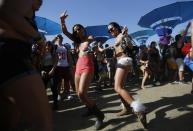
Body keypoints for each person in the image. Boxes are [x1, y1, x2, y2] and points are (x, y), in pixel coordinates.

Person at [0, 0, 52, 131]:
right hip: (11, 57)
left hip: (11, 57)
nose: (42, 2)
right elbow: (5, 12)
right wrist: (38, 37)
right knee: (42, 124)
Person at [60, 11, 104, 130]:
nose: (76, 31)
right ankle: (90, 109)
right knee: (79, 94)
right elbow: (64, 31)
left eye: (78, 28)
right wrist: (62, 20)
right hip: (78, 66)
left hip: (88, 66)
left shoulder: (89, 38)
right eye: (75, 30)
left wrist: (95, 48)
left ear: (83, 29)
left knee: (81, 93)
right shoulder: (76, 42)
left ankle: (99, 116)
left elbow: (94, 45)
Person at [107, 22, 147, 128]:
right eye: (109, 30)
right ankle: (127, 108)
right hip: (121, 61)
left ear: (117, 28)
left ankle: (139, 109)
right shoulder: (120, 36)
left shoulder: (122, 35)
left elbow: (130, 45)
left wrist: (124, 36)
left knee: (118, 87)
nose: (110, 31)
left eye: (112, 29)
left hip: (124, 60)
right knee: (119, 87)